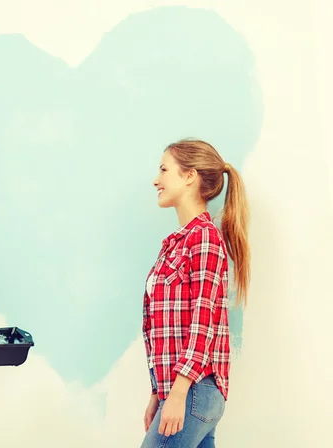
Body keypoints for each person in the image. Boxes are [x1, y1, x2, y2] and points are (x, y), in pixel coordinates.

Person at [140, 139, 250, 447]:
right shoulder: (176, 244)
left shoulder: (202, 239)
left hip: (193, 390)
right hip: (185, 391)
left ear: (190, 176)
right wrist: (158, 395)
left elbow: (203, 324)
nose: (156, 180)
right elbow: (165, 329)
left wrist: (177, 396)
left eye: (164, 170)